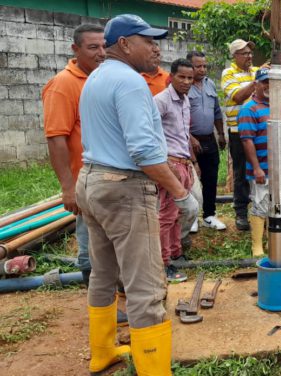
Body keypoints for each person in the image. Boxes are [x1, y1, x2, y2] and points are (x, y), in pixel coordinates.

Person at [76, 14, 198, 375]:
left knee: (103, 273)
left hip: (92, 182)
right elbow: (145, 153)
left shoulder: (96, 77)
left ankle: (103, 353)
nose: (156, 47)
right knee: (146, 286)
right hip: (124, 189)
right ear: (125, 44)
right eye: (148, 40)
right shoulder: (130, 83)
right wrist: (180, 194)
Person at [42, 24, 129, 325]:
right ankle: (101, 308)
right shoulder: (64, 84)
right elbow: (56, 138)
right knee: (90, 246)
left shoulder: (100, 78)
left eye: (103, 46)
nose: (101, 53)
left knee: (109, 242)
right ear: (75, 50)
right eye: (92, 47)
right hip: (85, 182)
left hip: (109, 181)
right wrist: (68, 188)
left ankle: (114, 293)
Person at [154, 58, 196, 283]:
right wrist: (163, 162)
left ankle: (176, 253)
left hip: (184, 162)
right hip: (169, 164)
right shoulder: (161, 101)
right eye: (182, 77)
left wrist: (191, 161)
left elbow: (183, 134)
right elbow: (148, 132)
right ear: (171, 77)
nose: (187, 81)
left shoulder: (185, 101)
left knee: (178, 214)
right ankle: (163, 264)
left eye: (190, 78)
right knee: (167, 215)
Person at [221, 39, 259, 231]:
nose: (249, 56)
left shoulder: (255, 71)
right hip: (238, 131)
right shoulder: (228, 73)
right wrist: (256, 82)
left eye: (250, 53)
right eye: (244, 53)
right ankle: (241, 213)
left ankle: (260, 209)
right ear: (235, 56)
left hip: (259, 129)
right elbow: (238, 96)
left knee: (261, 169)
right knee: (241, 173)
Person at [187, 51, 227, 231]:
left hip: (209, 139)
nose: (202, 69)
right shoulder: (183, 86)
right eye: (198, 66)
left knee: (211, 178)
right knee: (192, 179)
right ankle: (192, 217)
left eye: (204, 66)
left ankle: (209, 215)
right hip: (189, 142)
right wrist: (190, 137)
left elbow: (217, 111)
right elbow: (176, 117)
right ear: (190, 66)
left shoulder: (210, 84)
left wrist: (221, 134)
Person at [238, 67, 271, 257]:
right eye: (264, 81)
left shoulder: (275, 106)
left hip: (279, 168)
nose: (267, 85)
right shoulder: (248, 108)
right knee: (260, 204)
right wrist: (257, 168)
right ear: (256, 84)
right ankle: (257, 245)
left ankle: (272, 239)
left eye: (270, 82)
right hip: (261, 168)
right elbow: (246, 139)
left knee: (276, 204)